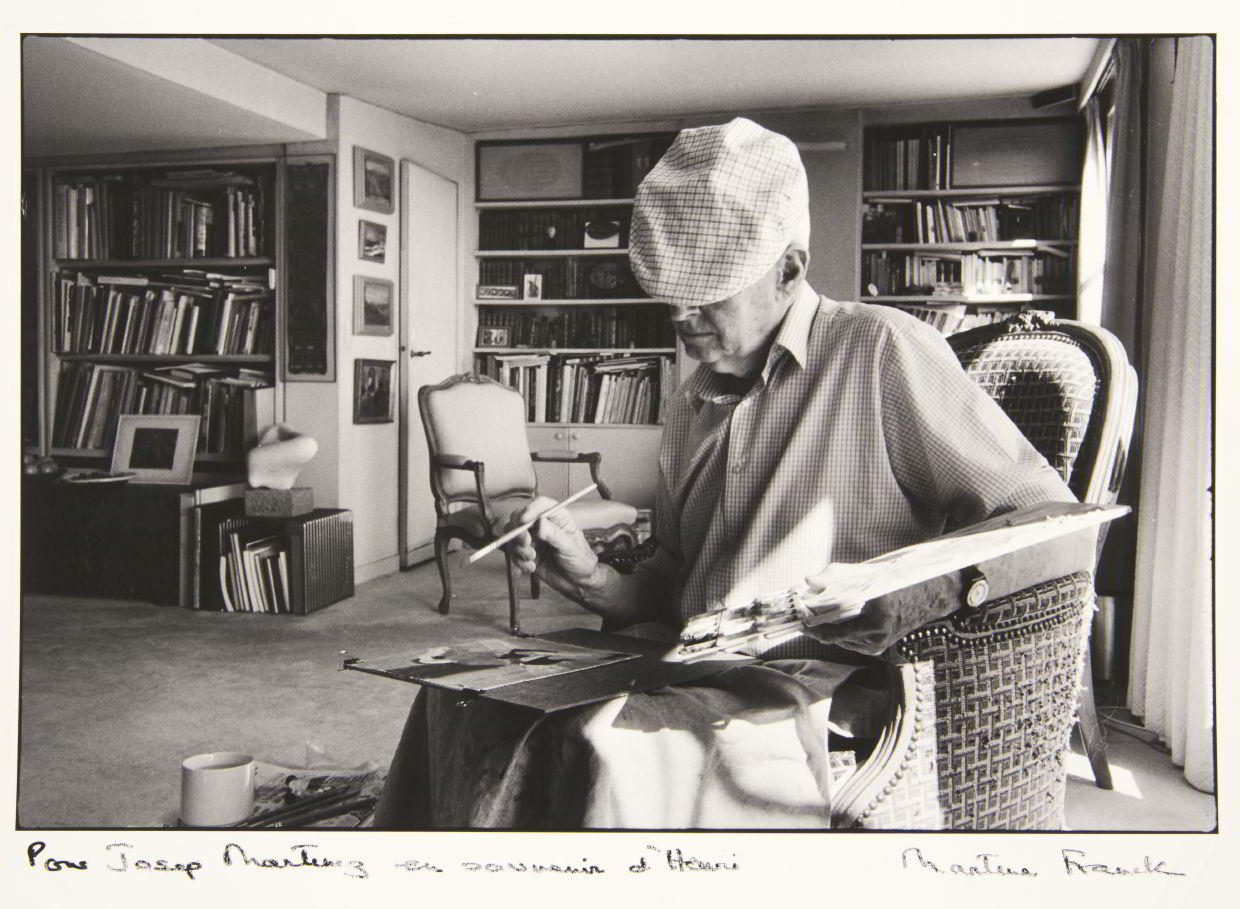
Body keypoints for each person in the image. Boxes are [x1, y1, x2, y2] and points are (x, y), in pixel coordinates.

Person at [375, 118, 1093, 829]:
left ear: (790, 267)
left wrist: (921, 595)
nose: (681, 314)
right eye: (669, 287)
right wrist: (588, 575)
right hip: (680, 660)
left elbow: (1054, 526)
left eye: (708, 288)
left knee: (598, 748)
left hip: (809, 686)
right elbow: (671, 584)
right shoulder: (690, 400)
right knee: (464, 700)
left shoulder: (881, 350)